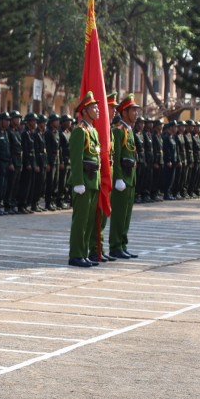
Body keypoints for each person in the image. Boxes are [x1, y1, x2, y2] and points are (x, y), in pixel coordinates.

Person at [68, 91, 102, 268]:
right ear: (85, 111)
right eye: (93, 107)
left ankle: (84, 253)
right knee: (80, 220)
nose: (97, 109)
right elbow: (76, 159)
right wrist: (78, 182)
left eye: (97, 106)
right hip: (84, 182)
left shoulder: (93, 131)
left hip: (93, 180)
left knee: (89, 221)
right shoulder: (80, 132)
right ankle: (75, 254)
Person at [108, 94, 140, 259]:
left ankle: (123, 244)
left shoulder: (129, 130)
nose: (136, 113)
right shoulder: (118, 130)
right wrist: (118, 178)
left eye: (136, 110)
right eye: (133, 110)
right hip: (122, 180)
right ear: (124, 112)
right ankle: (115, 246)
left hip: (130, 178)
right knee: (119, 215)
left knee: (126, 215)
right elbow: (117, 156)